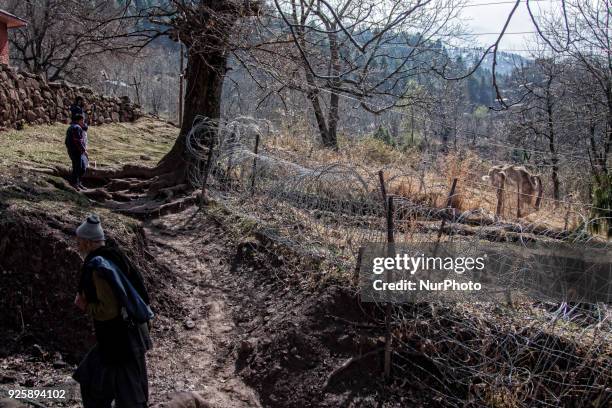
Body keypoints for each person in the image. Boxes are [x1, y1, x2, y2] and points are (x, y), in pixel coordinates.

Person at [73, 214, 153, 408]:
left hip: (121, 341)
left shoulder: (98, 268)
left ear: (88, 243)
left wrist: (86, 306)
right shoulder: (116, 256)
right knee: (90, 378)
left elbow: (108, 311)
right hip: (131, 334)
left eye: (79, 241)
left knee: (130, 398)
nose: (77, 245)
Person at [65, 113, 88, 190]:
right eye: (82, 120)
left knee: (81, 167)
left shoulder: (71, 127)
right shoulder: (77, 128)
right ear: (79, 120)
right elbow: (78, 141)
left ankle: (78, 183)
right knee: (78, 168)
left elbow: (66, 141)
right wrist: (83, 150)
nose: (83, 122)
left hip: (73, 151)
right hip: (76, 151)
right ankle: (74, 184)